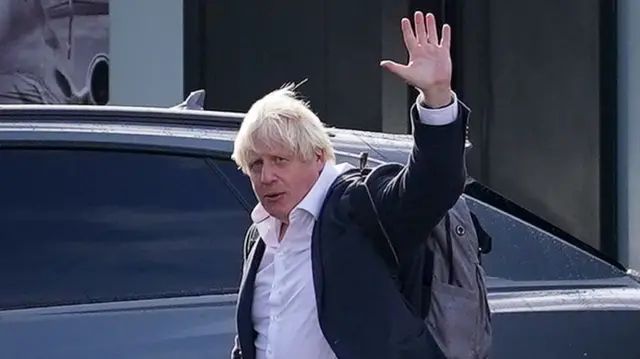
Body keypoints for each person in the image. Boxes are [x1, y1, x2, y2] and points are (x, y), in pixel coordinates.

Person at [231, 11, 470, 359]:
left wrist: (436, 96)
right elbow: (258, 336)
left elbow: (433, 186)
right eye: (255, 165)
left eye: (280, 160)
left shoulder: (357, 207)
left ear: (316, 157)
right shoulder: (261, 236)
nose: (266, 176)